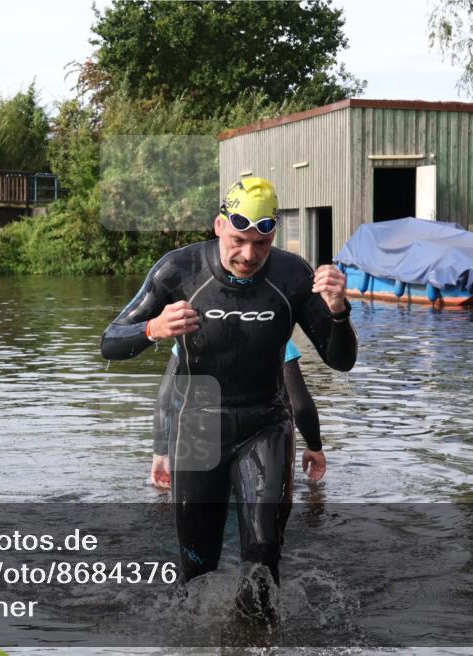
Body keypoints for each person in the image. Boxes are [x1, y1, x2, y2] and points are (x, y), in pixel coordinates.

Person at [100, 176, 356, 621]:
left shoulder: (292, 275)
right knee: (196, 567)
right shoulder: (177, 271)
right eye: (238, 240)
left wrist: (338, 310)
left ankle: (259, 644)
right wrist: (151, 330)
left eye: (262, 242)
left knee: (263, 554)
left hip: (265, 424)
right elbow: (109, 342)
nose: (249, 255)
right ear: (219, 225)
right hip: (197, 427)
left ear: (274, 235)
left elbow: (340, 361)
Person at [150, 339, 325, 489]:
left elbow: (165, 399)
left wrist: (160, 453)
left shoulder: (191, 333)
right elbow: (300, 405)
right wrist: (314, 447)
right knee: (262, 518)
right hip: (261, 441)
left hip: (201, 440)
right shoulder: (278, 333)